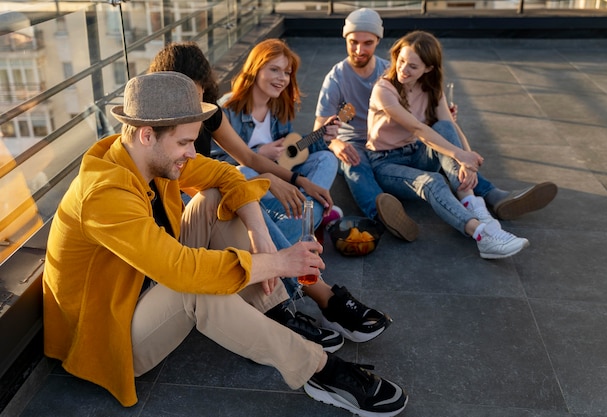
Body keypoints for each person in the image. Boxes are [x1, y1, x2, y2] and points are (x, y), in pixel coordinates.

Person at [41, 71, 408, 416]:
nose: (191, 151)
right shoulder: (104, 193)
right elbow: (182, 272)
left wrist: (261, 240)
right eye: (185, 142)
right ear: (146, 134)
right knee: (195, 289)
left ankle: (277, 314)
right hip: (109, 336)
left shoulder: (145, 158)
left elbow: (225, 173)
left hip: (142, 285)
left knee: (214, 199)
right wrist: (279, 264)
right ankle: (321, 370)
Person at [147, 42, 392, 350]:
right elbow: (229, 171)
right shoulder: (152, 136)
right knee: (233, 198)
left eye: (197, 98)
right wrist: (264, 181)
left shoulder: (209, 112)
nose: (192, 110)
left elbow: (248, 159)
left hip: (223, 207)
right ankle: (316, 291)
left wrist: (292, 178)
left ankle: (287, 294)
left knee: (253, 197)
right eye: (274, 69)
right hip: (182, 232)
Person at [314, 8, 557, 242]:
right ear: (345, 39)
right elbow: (319, 126)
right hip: (359, 142)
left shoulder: (394, 69)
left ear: (378, 41)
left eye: (367, 42)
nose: (359, 49)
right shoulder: (336, 78)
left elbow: (419, 118)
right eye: (353, 41)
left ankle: (493, 197)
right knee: (355, 165)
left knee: (445, 134)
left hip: (402, 140)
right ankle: (384, 214)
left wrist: (437, 116)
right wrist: (335, 143)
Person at [365, 30, 530, 259]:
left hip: (417, 153)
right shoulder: (384, 89)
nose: (403, 70)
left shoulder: (431, 89)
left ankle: (472, 204)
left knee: (444, 127)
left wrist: (467, 159)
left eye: (413, 66)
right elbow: (418, 129)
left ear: (428, 69)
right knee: (433, 181)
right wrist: (459, 156)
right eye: (401, 61)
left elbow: (450, 126)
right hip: (386, 163)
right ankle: (482, 235)